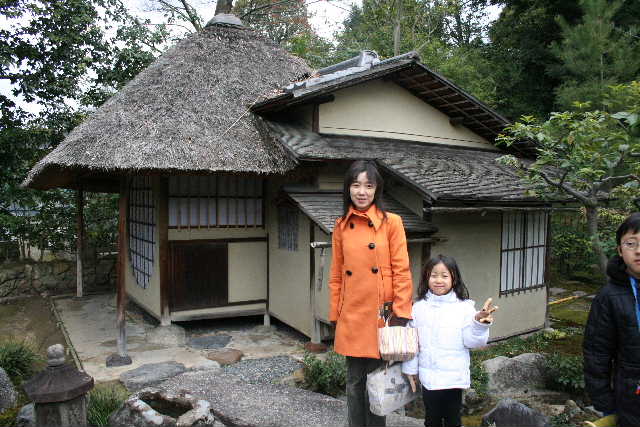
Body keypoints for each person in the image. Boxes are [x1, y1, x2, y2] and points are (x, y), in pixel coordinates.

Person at [328, 160, 413, 427]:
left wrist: (401, 311)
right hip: (352, 314)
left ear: (377, 190)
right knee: (353, 383)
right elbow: (337, 274)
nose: (361, 191)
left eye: (368, 185)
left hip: (382, 315)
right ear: (348, 189)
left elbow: (402, 269)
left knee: (378, 382)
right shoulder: (341, 225)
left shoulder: (392, 223)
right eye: (356, 185)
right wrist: (334, 313)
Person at [402, 255, 497, 427]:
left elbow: (472, 342)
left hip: (453, 378)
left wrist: (478, 324)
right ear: (426, 278)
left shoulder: (464, 308)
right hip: (429, 378)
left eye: (444, 276)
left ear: (454, 279)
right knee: (431, 420)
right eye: (434, 275)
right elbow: (412, 343)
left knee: (453, 420)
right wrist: (410, 370)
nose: (439, 280)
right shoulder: (418, 308)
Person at [584, 212, 640, 427]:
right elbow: (597, 353)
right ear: (619, 250)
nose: (638, 251)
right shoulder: (609, 296)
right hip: (631, 395)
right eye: (630, 244)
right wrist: (604, 401)